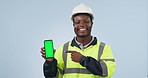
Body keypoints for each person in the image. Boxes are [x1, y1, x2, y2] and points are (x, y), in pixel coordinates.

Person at [40, 3, 116, 78]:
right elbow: (53, 77)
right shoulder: (63, 49)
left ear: (91, 24)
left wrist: (83, 60)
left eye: (86, 21)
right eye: (77, 22)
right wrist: (50, 63)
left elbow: (107, 72)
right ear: (73, 25)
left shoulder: (103, 49)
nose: (82, 25)